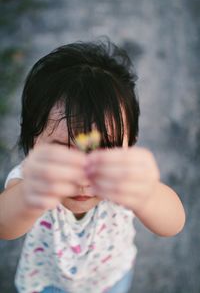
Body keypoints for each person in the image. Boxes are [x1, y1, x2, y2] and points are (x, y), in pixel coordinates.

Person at [0, 39, 185, 293]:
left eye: (104, 149)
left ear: (129, 147)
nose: (82, 177)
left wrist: (147, 193)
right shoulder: (30, 180)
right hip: (47, 283)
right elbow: (4, 226)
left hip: (111, 279)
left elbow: (173, 223)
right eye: (61, 151)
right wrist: (31, 193)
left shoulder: (122, 183)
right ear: (32, 144)